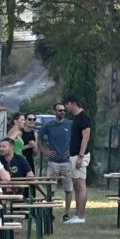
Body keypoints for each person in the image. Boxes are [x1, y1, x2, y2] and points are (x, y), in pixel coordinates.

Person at [63, 93, 93, 223]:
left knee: (80, 185)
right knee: (76, 185)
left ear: (72, 103)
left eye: (67, 104)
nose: (66, 107)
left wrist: (80, 156)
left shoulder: (84, 118)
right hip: (74, 155)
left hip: (80, 156)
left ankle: (81, 216)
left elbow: (85, 138)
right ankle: (77, 215)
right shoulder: (76, 118)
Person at [40, 101, 74, 204]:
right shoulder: (49, 126)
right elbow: (39, 138)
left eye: (64, 110)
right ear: (55, 112)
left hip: (67, 161)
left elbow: (78, 137)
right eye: (60, 110)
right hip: (53, 162)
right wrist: (45, 151)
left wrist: (72, 151)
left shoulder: (70, 124)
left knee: (68, 189)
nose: (62, 112)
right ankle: (49, 211)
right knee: (51, 189)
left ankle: (67, 213)